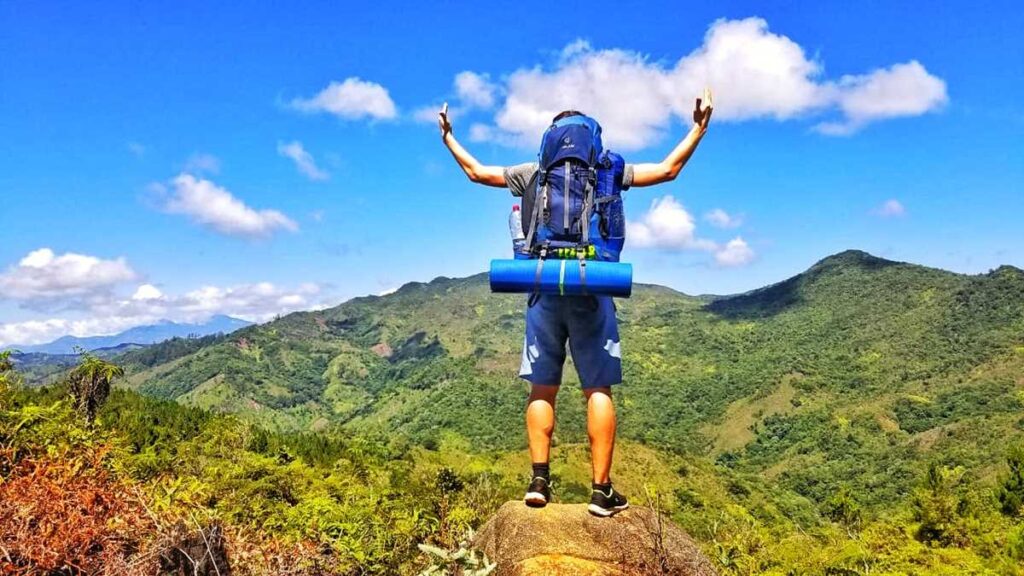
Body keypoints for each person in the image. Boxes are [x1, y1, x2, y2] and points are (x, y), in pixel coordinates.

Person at [438, 90, 713, 516]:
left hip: (543, 284)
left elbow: (475, 172)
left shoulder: (534, 172)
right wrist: (698, 128)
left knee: (541, 387)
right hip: (593, 284)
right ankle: (601, 492)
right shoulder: (607, 171)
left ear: (551, 138)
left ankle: (539, 482)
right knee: (596, 389)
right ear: (591, 140)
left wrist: (449, 138)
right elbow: (668, 170)